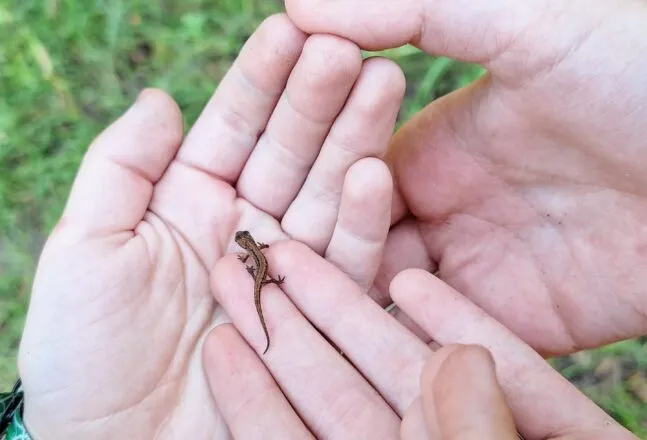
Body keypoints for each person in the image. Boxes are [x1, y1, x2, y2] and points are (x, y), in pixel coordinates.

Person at [3, 0, 646, 437]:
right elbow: (259, 262)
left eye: (250, 248)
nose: (252, 251)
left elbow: (259, 259)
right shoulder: (258, 260)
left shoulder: (256, 257)